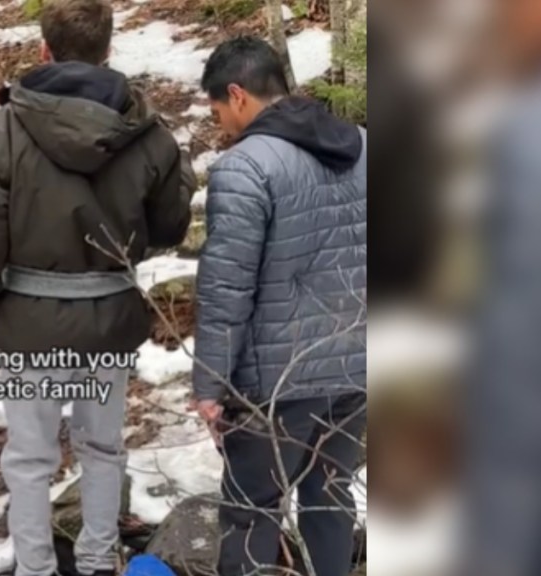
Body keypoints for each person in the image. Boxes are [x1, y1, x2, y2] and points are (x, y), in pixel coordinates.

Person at [0, 0, 194, 572]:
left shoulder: (3, 131)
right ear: (109, 50)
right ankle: (94, 562)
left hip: (28, 325)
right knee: (103, 449)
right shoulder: (148, 132)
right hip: (107, 322)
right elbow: (170, 227)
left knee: (30, 458)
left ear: (43, 49)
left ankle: (36, 569)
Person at [192, 37, 367, 576]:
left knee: (251, 512)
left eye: (218, 108)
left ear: (238, 95)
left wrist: (209, 385)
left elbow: (226, 288)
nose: (220, 123)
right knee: (329, 501)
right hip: (356, 366)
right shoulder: (364, 146)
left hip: (276, 382)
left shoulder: (243, 169)